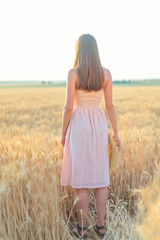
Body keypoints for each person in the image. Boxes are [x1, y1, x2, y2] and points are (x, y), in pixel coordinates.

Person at [60, 34, 121, 239]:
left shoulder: (73, 73)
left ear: (79, 51)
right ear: (95, 51)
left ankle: (82, 228)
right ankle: (101, 227)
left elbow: (69, 108)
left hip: (79, 126)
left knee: (81, 180)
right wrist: (116, 132)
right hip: (99, 125)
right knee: (101, 178)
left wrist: (63, 132)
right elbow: (110, 106)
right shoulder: (106, 74)